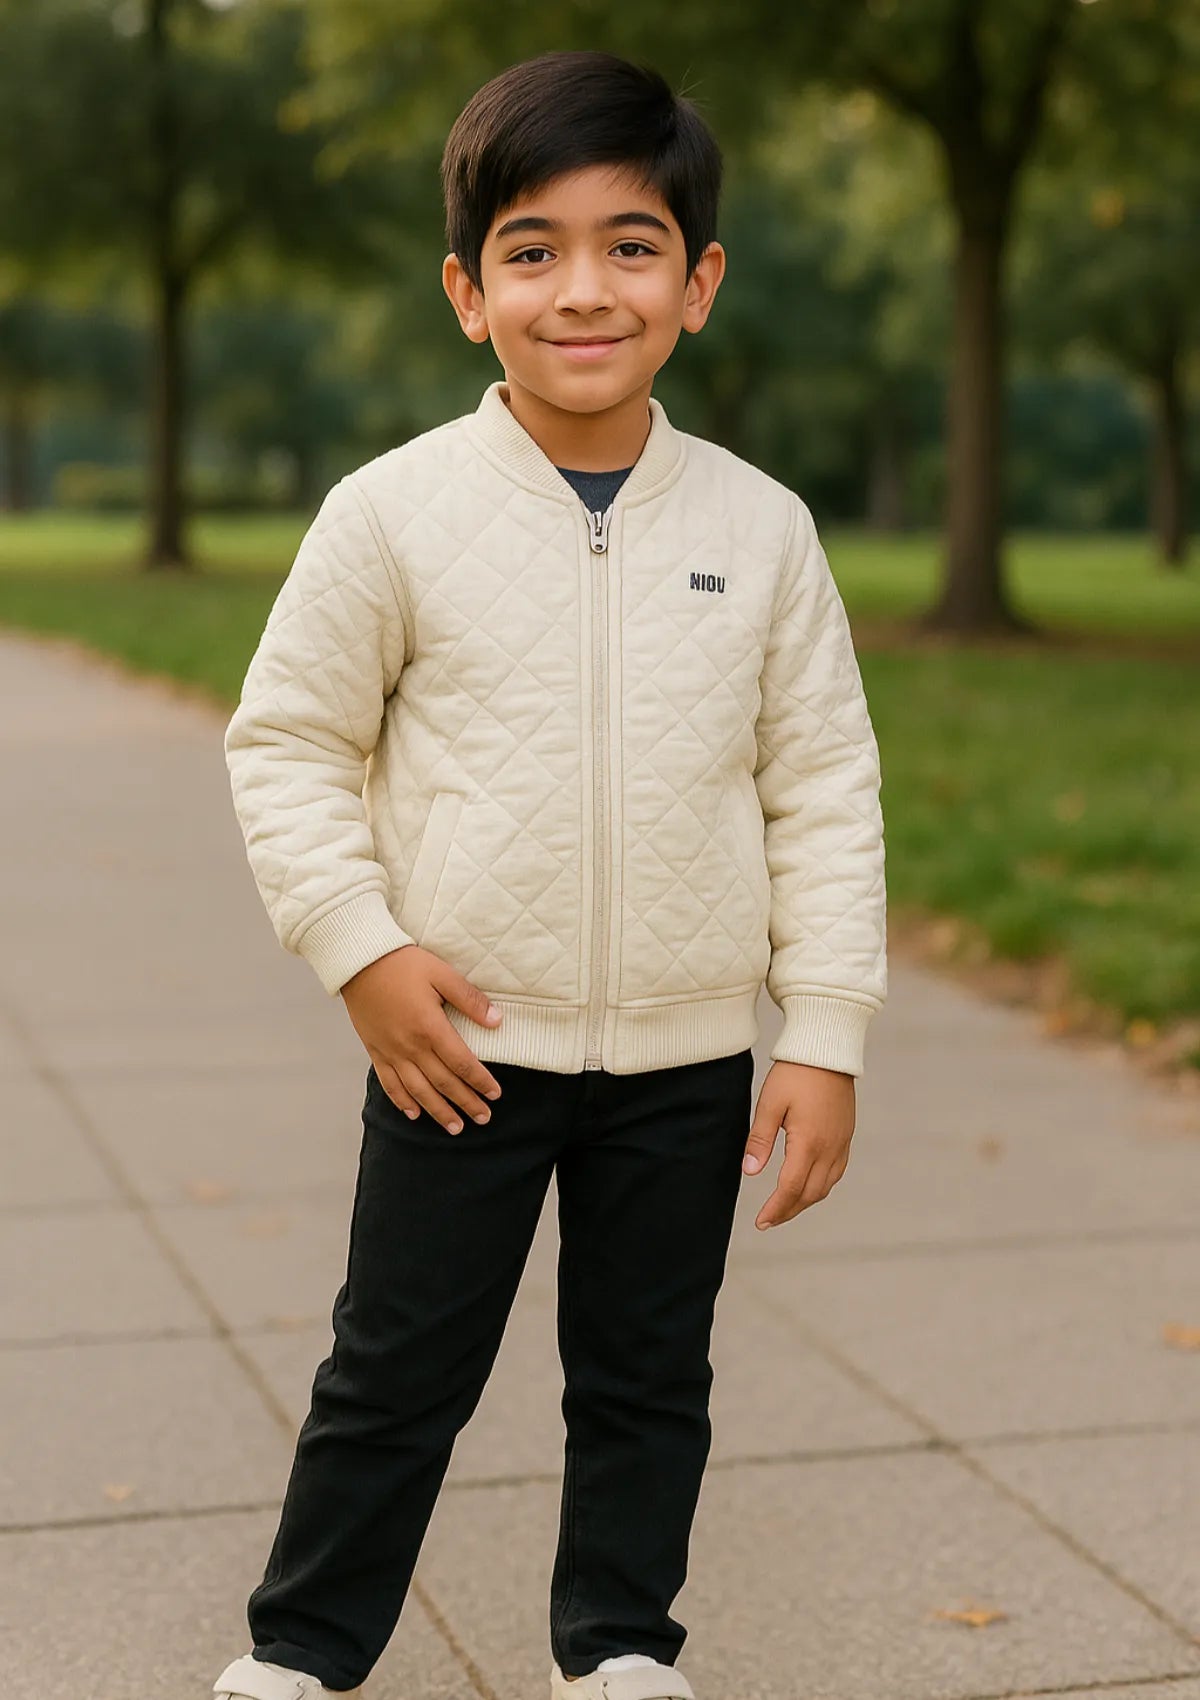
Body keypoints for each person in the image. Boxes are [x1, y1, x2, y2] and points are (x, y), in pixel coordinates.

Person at [212, 45, 887, 1700]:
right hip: (458, 1046)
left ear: (698, 284)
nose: (584, 288)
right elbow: (286, 742)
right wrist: (362, 950)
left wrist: (824, 1034)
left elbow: (822, 786)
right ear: (469, 292)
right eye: (534, 250)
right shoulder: (390, 516)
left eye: (630, 245)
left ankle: (621, 1650)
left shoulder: (764, 529)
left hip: (684, 1055)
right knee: (395, 1370)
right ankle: (301, 1652)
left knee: (649, 1378)